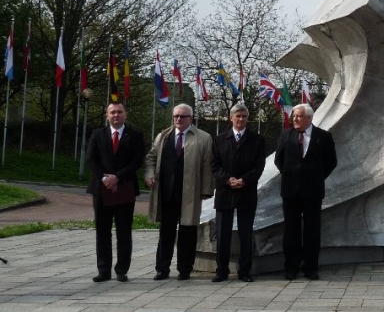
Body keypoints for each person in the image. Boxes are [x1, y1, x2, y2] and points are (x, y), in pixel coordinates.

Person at [145, 103, 214, 280]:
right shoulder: (163, 136)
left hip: (190, 194)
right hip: (166, 194)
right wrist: (150, 174)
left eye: (183, 116)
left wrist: (206, 190)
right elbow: (151, 157)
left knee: (188, 233)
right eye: (176, 116)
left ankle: (185, 269)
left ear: (191, 118)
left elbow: (207, 166)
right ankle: (162, 269)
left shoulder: (203, 138)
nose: (178, 119)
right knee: (166, 233)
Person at [274, 103, 337, 281]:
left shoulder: (323, 137)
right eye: (294, 116)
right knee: (291, 230)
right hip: (290, 191)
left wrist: (316, 177)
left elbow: (331, 162)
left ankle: (311, 267)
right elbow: (279, 160)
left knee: (312, 230)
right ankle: (291, 267)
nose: (295, 119)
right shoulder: (286, 135)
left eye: (299, 116)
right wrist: (291, 175)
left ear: (309, 118)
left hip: (313, 191)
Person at [85, 102, 145, 283]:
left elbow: (137, 161)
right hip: (101, 189)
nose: (116, 115)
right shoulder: (97, 134)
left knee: (123, 231)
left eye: (119, 112)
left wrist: (117, 177)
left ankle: (121, 270)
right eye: (112, 112)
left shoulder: (135, 135)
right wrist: (105, 178)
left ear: (125, 114)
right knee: (102, 231)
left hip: (124, 188)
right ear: (107, 115)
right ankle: (103, 270)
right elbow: (91, 159)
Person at [210, 103, 266, 283]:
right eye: (238, 116)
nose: (241, 119)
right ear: (231, 118)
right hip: (225, 192)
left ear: (247, 119)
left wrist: (245, 180)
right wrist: (228, 179)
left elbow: (259, 165)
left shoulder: (257, 140)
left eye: (244, 116)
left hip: (246, 191)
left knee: (245, 233)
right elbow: (214, 165)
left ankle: (244, 271)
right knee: (222, 234)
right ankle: (221, 271)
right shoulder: (219, 140)